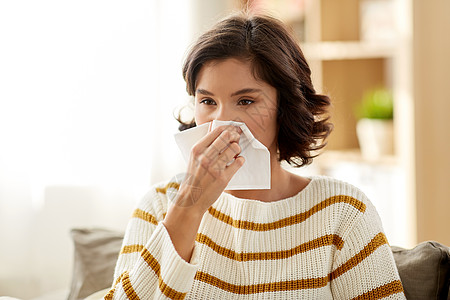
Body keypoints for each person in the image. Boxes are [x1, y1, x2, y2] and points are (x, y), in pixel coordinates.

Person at [105, 12, 406, 299]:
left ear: (284, 107)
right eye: (207, 101)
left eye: (246, 101)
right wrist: (188, 206)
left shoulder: (343, 212)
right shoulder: (158, 206)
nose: (221, 123)